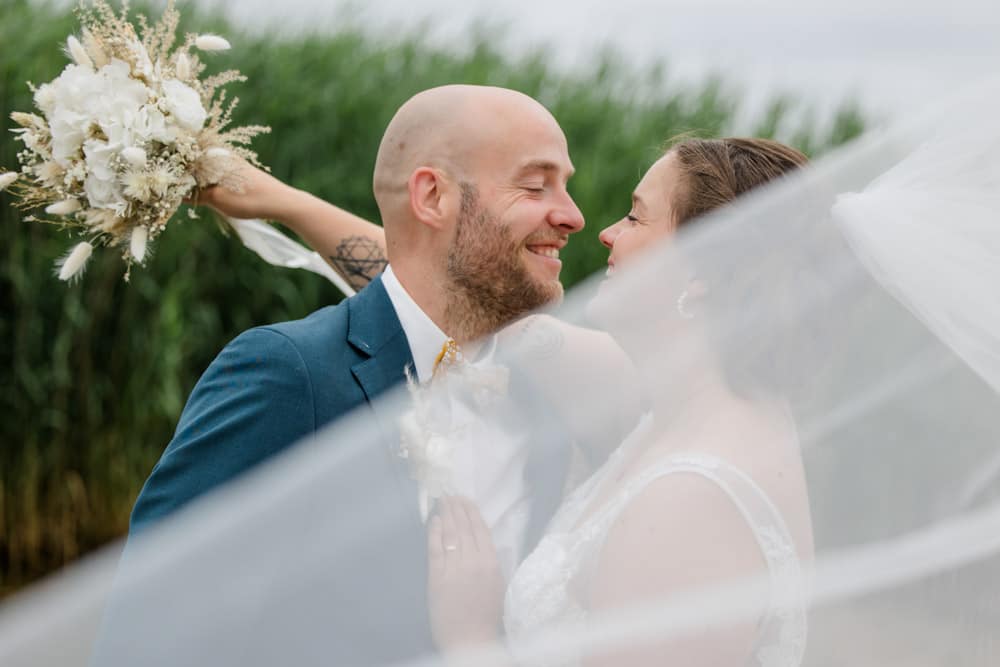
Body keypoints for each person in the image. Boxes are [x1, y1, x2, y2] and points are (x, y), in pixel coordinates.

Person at [124, 84, 585, 665]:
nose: (573, 215)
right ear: (433, 195)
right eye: (536, 184)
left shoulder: (559, 396)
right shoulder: (289, 375)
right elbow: (148, 633)